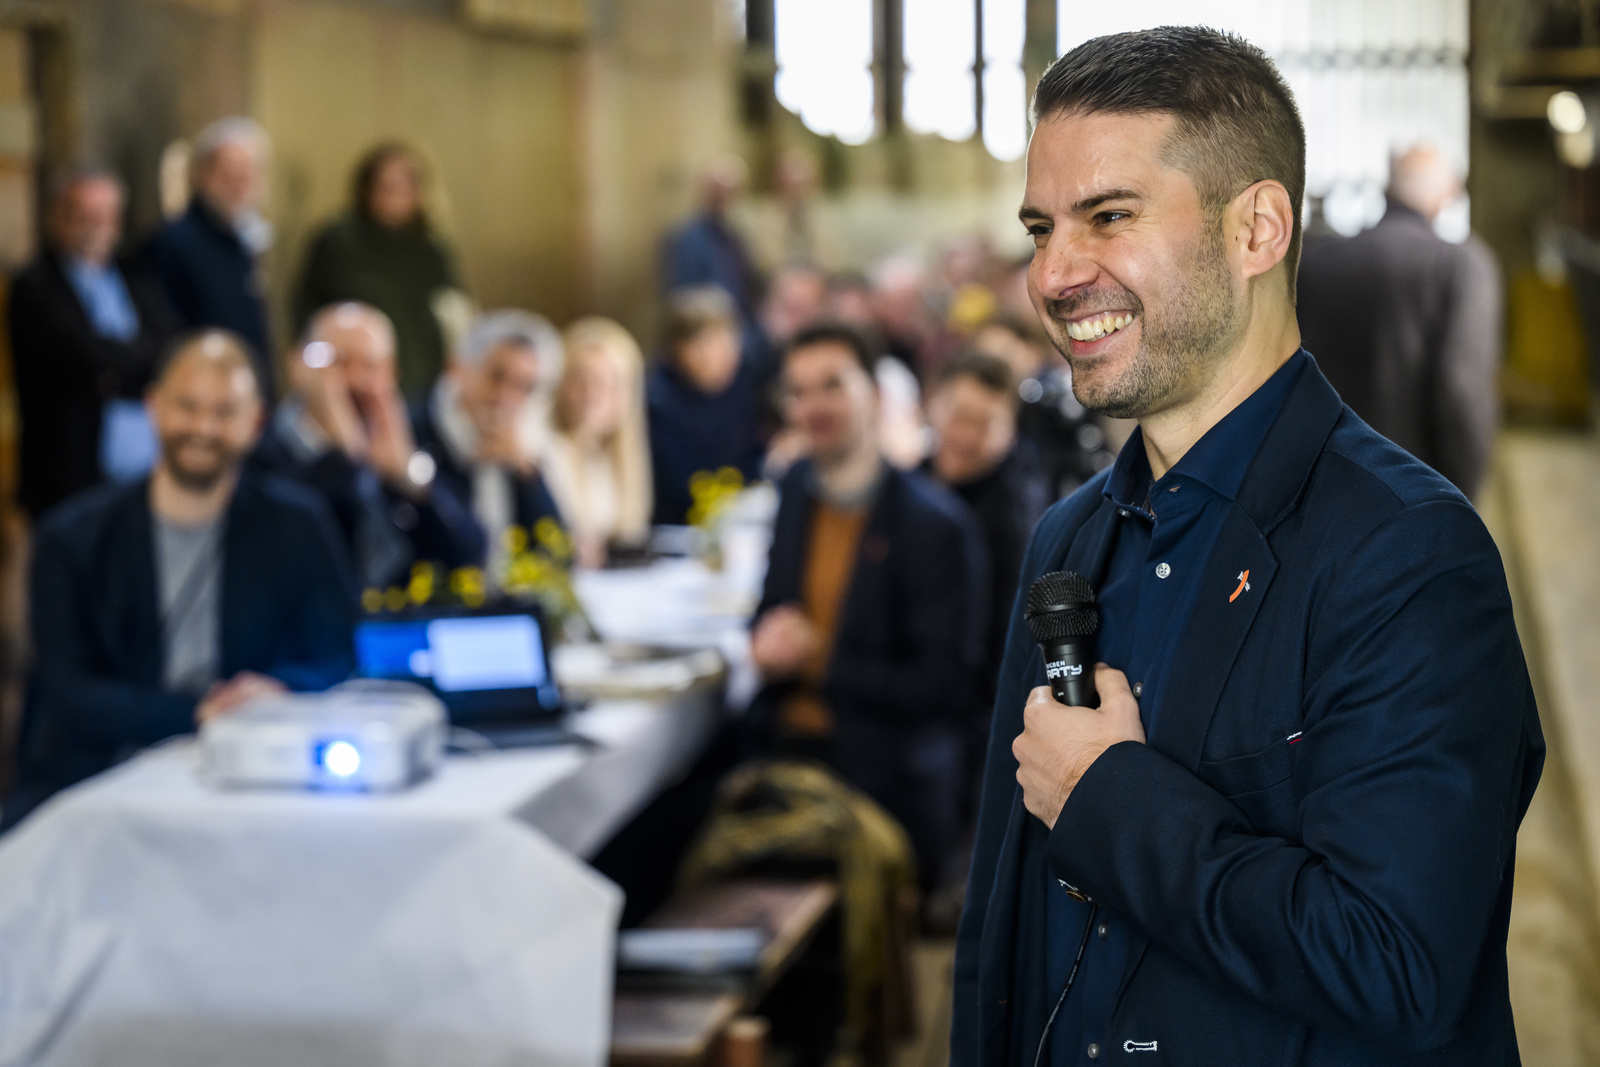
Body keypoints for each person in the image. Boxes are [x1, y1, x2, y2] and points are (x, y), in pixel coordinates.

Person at [954, 28, 1542, 1067]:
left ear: (1257, 228)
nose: (1053, 273)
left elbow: (1399, 966)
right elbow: (1001, 938)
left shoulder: (1410, 554)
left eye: (1109, 216)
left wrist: (1109, 798)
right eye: (1041, 228)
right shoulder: (1068, 539)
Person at [8, 330, 355, 825]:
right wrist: (196, 713)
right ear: (154, 406)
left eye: (224, 412)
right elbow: (66, 690)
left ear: (255, 422)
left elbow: (340, 654)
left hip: (258, 777)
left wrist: (273, 691)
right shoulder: (73, 538)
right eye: (187, 407)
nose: (203, 428)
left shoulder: (298, 525)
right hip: (103, 777)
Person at [751, 323, 987, 889]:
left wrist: (819, 661)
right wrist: (765, 638)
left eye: (832, 385)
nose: (813, 406)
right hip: (784, 749)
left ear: (876, 395)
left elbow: (946, 687)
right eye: (798, 391)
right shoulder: (795, 489)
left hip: (880, 771)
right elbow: (772, 607)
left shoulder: (934, 524)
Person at [1296, 145, 1502, 498]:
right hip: (1411, 497)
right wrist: (1463, 497)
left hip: (1318, 487)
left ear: (1388, 190)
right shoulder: (1460, 268)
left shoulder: (1316, 262)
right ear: (1444, 197)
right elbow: (1462, 393)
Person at [251, 303, 484, 591]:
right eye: (338, 362)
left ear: (392, 372)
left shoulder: (410, 435)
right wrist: (343, 457)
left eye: (371, 365)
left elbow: (469, 554)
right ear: (298, 365)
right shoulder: (259, 449)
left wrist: (409, 478)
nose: (356, 379)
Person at [9, 170, 178, 517]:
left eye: (105, 215)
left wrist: (116, 375)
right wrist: (137, 370)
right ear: (57, 216)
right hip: (70, 477)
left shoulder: (136, 276)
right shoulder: (35, 285)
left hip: (146, 472)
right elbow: (82, 357)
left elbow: (171, 347)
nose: (95, 225)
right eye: (83, 214)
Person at [293, 143, 461, 400]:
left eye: (404, 187)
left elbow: (452, 312)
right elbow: (307, 311)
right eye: (387, 187)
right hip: (351, 380)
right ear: (367, 189)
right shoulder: (338, 242)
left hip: (420, 378)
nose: (395, 196)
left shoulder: (430, 249)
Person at [924, 352, 1047, 685]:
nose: (965, 436)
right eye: (959, 415)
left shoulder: (1014, 521)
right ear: (933, 406)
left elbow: (1003, 644)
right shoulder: (910, 484)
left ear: (1011, 434)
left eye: (984, 424)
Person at [412, 310, 564, 580]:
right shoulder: (415, 430)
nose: (507, 397)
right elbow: (460, 551)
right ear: (458, 368)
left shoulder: (520, 441)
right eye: (496, 377)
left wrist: (526, 473)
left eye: (524, 387)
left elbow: (557, 548)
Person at [141, 118, 276, 399]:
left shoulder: (241, 239)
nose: (239, 185)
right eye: (228, 174)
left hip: (244, 393)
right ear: (201, 174)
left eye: (247, 175)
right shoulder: (172, 243)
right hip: (202, 395)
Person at [647, 286, 765, 525]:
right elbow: (677, 485)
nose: (723, 355)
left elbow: (754, 458)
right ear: (677, 350)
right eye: (707, 344)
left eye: (729, 342)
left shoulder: (747, 386)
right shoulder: (657, 403)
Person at [544, 317, 653, 568]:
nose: (593, 394)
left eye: (609, 382)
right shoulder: (542, 449)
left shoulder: (612, 453)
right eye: (581, 378)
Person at [661, 156, 760, 322]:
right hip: (707, 324)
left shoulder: (738, 233)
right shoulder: (686, 237)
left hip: (742, 320)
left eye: (731, 190)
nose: (723, 196)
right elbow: (681, 296)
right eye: (717, 189)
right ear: (704, 190)